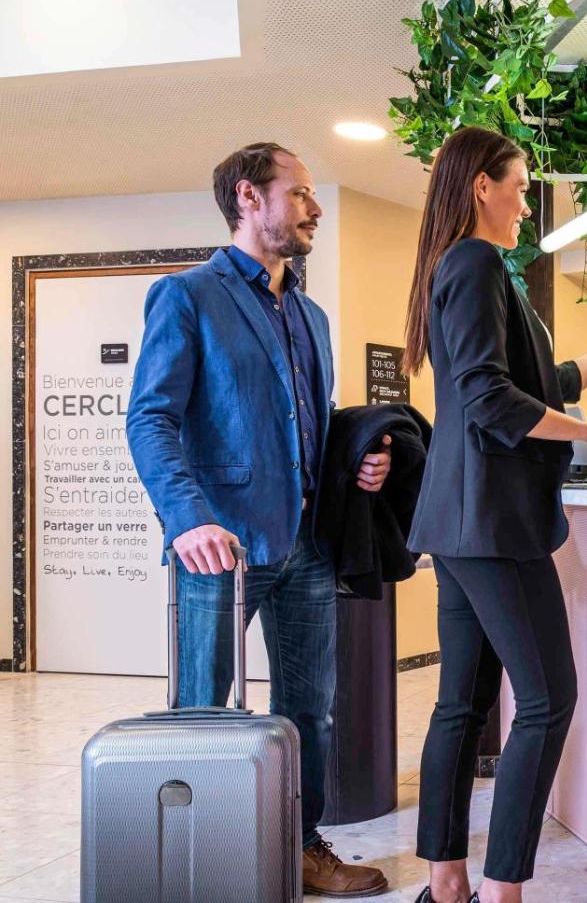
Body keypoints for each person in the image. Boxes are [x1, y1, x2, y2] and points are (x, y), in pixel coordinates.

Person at [127, 142, 394, 897]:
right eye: (300, 193)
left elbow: (309, 421)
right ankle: (201, 858)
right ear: (249, 197)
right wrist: (188, 519)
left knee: (311, 710)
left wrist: (356, 465)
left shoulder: (311, 315)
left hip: (308, 543)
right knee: (203, 709)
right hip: (219, 549)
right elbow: (150, 418)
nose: (315, 208)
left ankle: (300, 846)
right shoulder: (187, 296)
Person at [403, 125, 587, 903]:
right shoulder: (476, 261)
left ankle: (448, 886)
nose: (525, 206)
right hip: (493, 523)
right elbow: (489, 398)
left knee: (462, 704)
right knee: (548, 700)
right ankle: (503, 890)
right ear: (482, 186)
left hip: (460, 522)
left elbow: (542, 382)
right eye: (518, 189)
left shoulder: (464, 266)